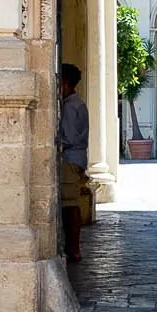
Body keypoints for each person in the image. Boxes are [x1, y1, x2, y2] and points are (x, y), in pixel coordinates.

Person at [52, 62, 91, 267]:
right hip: (77, 158)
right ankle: (72, 247)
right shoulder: (79, 104)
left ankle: (73, 247)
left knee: (69, 205)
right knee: (71, 203)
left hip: (69, 158)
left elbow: (67, 137)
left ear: (65, 84)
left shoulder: (69, 107)